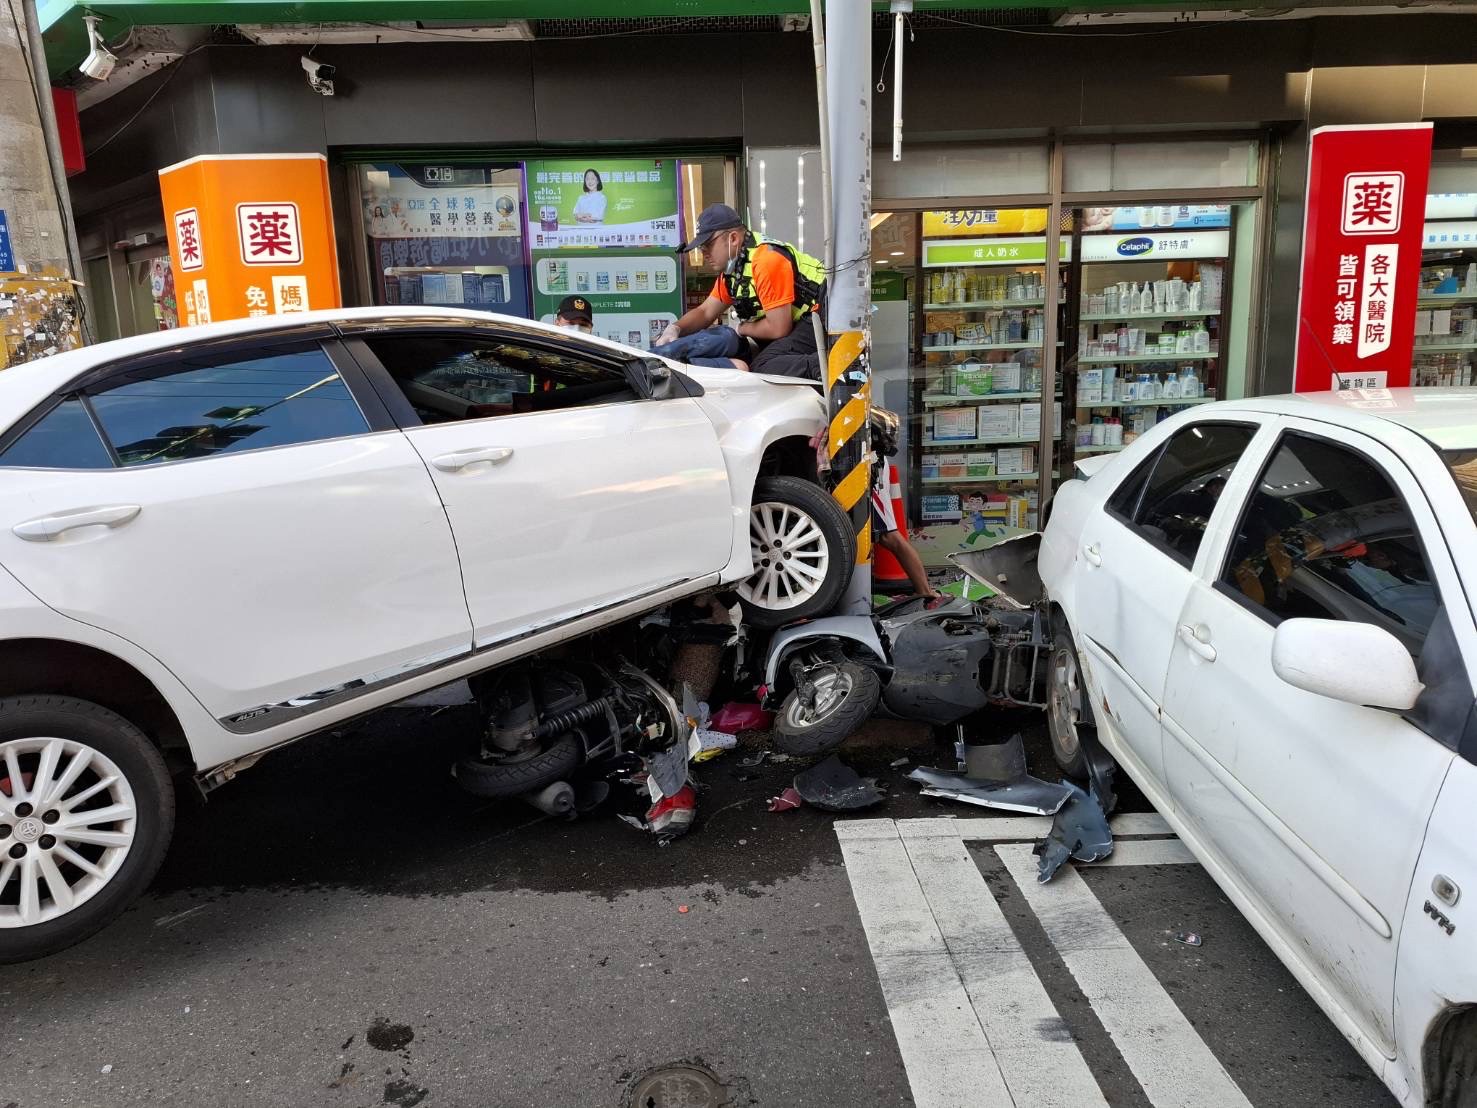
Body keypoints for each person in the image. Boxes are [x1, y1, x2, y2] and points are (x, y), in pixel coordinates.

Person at [660, 203, 827, 378]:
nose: (704, 254)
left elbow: (778, 329)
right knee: (741, 349)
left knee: (763, 368)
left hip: (820, 315)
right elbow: (705, 312)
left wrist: (743, 329)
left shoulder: (766, 260)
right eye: (701, 248)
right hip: (800, 324)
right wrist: (675, 329)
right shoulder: (734, 272)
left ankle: (835, 367)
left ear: (733, 238)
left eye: (708, 245)